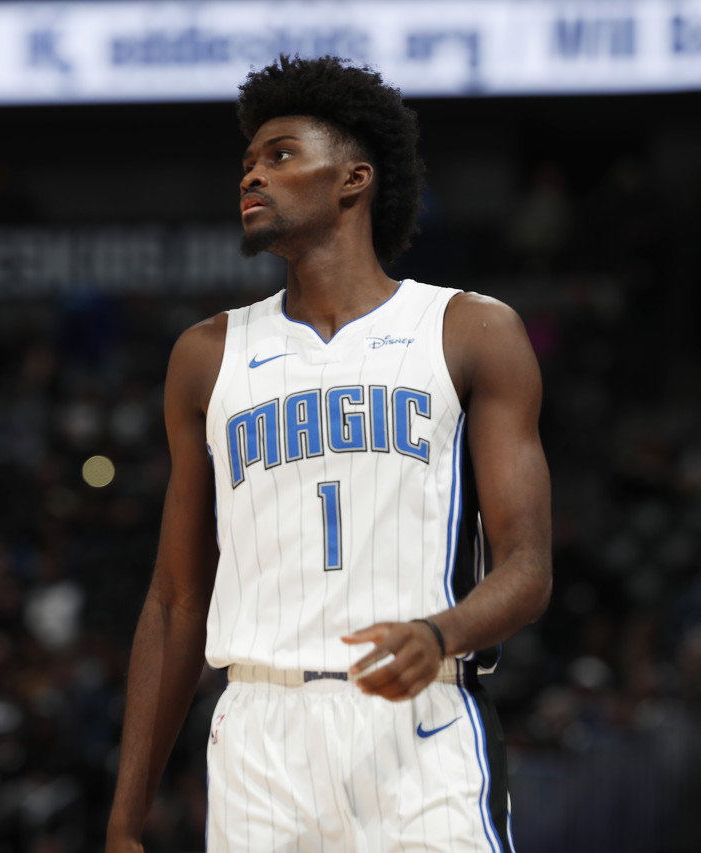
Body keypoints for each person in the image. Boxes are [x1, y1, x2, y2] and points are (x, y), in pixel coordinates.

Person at [106, 55, 553, 852]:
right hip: (258, 733)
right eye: (247, 162)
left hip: (420, 717)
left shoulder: (470, 329)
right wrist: (124, 821)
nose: (251, 176)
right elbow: (175, 600)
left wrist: (441, 631)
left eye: (279, 155)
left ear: (354, 179)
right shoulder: (206, 355)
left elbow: (527, 566)